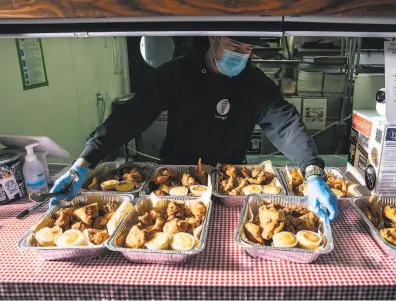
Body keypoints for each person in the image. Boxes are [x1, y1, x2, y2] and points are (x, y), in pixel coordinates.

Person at [49, 36, 339, 220]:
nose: (242, 55)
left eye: (248, 49)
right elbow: (130, 116)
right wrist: (83, 162)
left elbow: (285, 123)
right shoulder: (175, 75)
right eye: (235, 47)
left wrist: (313, 172)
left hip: (231, 187)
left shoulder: (255, 83)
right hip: (173, 183)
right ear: (213, 38)